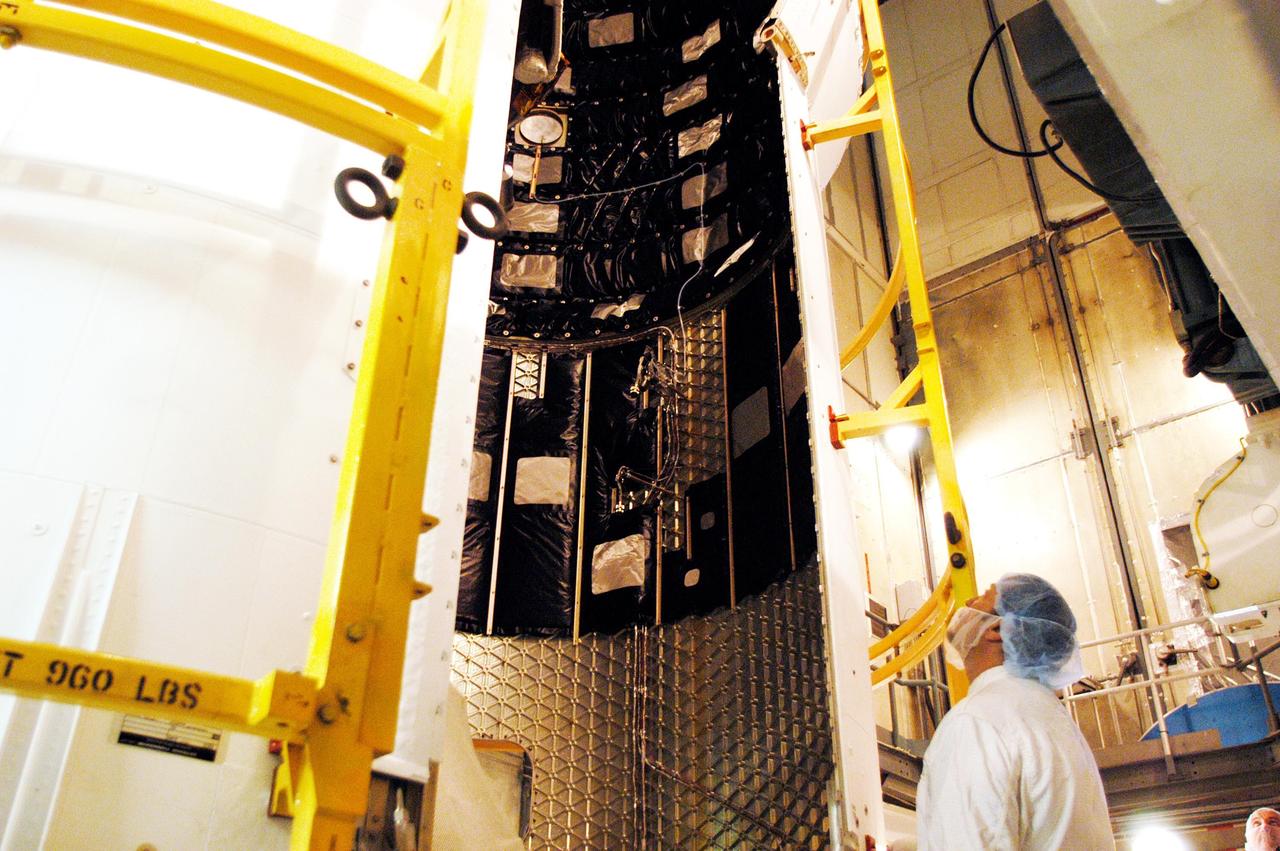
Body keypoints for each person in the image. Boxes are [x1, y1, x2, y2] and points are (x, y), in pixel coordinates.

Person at [915, 573, 1113, 850]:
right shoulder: (1055, 722)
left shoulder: (977, 721)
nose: (968, 601)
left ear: (996, 629)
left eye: (981, 599)